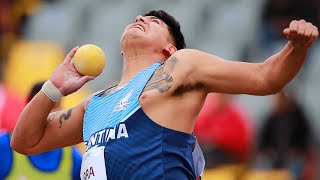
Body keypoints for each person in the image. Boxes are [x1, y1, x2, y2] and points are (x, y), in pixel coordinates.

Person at [10, 9, 318, 179]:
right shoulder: (94, 104)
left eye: (154, 22)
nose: (140, 19)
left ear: (169, 48)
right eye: (139, 18)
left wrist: (297, 48)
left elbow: (265, 78)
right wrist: (55, 87)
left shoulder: (181, 66)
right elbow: (25, 141)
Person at [0, 82, 82, 180]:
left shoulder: (73, 158)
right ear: (27, 108)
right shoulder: (4, 146)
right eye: (43, 108)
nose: (51, 113)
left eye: (55, 106)